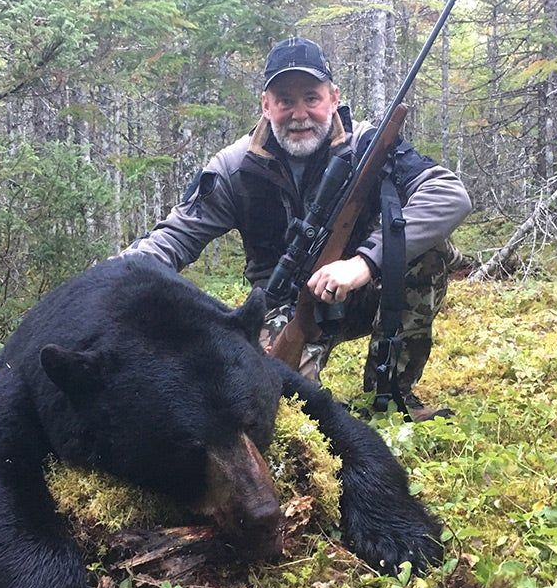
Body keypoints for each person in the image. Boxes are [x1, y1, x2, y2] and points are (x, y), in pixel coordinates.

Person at [122, 37, 471, 421]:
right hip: (284, 305)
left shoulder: (369, 147)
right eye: (285, 100)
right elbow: (174, 237)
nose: (299, 113)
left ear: (334, 98)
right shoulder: (236, 167)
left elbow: (449, 195)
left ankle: (393, 393)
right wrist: (109, 279)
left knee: (429, 252)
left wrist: (363, 263)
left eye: (311, 97)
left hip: (358, 290)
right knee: (278, 406)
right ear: (266, 105)